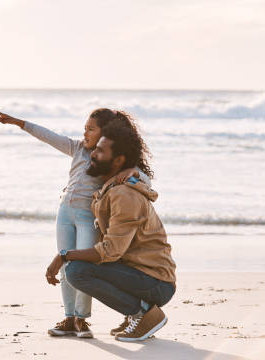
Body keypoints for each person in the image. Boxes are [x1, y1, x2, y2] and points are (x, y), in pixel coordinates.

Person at [0, 109, 152, 338]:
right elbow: (48, 136)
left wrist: (131, 171)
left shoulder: (109, 156)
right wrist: (20, 123)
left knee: (82, 266)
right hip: (65, 213)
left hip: (88, 217)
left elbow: (144, 178)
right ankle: (69, 318)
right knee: (66, 266)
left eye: (91, 129)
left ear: (104, 133)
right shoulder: (77, 148)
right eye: (84, 128)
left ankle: (81, 320)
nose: (85, 133)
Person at [44, 120, 176, 342]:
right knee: (80, 266)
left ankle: (143, 314)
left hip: (156, 283)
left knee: (76, 270)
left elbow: (111, 250)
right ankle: (135, 314)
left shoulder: (124, 195)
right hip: (140, 273)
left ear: (118, 160)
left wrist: (64, 255)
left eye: (100, 151)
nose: (92, 154)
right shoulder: (110, 189)